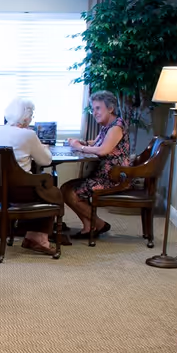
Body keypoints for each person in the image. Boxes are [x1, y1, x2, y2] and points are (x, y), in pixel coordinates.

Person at [0, 96, 67, 254]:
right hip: (19, 191)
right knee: (53, 193)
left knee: (44, 189)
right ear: (25, 116)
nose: (31, 118)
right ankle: (38, 237)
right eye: (32, 114)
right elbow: (45, 161)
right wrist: (44, 148)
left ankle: (31, 233)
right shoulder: (28, 135)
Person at [62, 91, 134, 241]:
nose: (94, 112)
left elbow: (103, 150)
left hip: (114, 178)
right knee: (65, 189)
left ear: (110, 108)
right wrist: (80, 143)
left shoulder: (116, 127)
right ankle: (89, 227)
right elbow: (97, 143)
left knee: (71, 192)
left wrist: (79, 148)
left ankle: (99, 224)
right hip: (103, 175)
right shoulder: (107, 126)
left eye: (98, 108)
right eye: (93, 109)